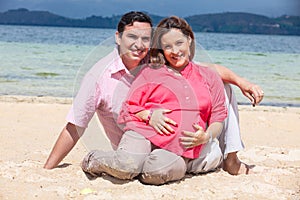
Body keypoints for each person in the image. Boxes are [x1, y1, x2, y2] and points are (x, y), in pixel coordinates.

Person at [43, 11, 264, 176]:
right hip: (133, 140)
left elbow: (208, 70)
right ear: (118, 37)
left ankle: (231, 157)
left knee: (224, 88)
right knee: (132, 164)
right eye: (132, 37)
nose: (139, 45)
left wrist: (242, 82)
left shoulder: (156, 58)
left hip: (169, 143)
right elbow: (76, 124)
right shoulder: (99, 76)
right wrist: (48, 167)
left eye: (146, 38)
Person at [81, 16, 228, 185]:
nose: (174, 51)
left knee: (158, 172)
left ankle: (141, 165)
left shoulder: (209, 76)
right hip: (142, 133)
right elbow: (127, 109)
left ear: (189, 40)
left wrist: (206, 136)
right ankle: (94, 159)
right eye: (167, 46)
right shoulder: (151, 72)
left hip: (176, 148)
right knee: (125, 166)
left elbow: (218, 118)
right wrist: (149, 115)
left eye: (179, 43)